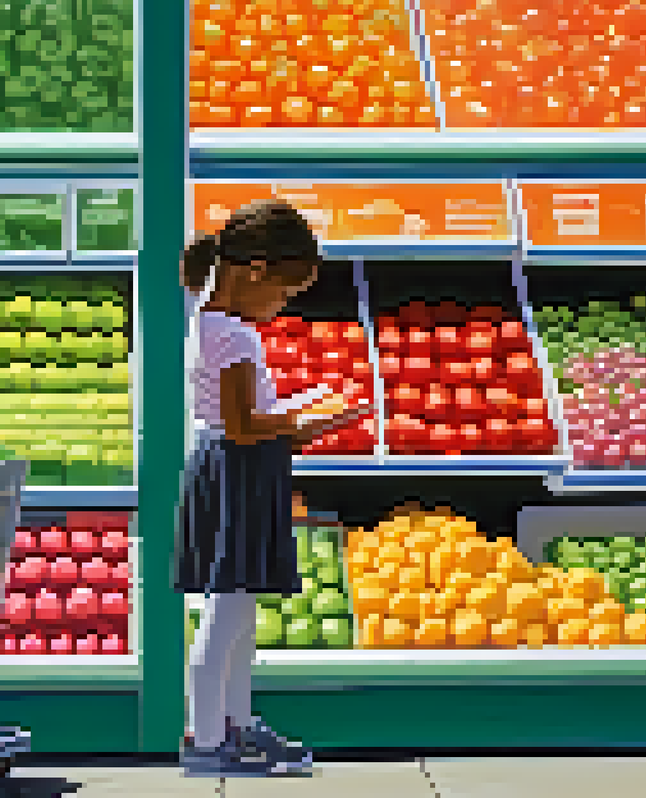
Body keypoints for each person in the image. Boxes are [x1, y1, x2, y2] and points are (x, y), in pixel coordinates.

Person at [176, 199, 371, 777]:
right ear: (256, 271)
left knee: (237, 609)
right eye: (284, 294)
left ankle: (234, 722)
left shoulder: (207, 321)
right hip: (239, 467)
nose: (282, 306)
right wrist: (311, 422)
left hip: (231, 463)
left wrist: (294, 407)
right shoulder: (233, 335)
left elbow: (237, 415)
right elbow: (242, 425)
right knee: (228, 607)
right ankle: (209, 740)